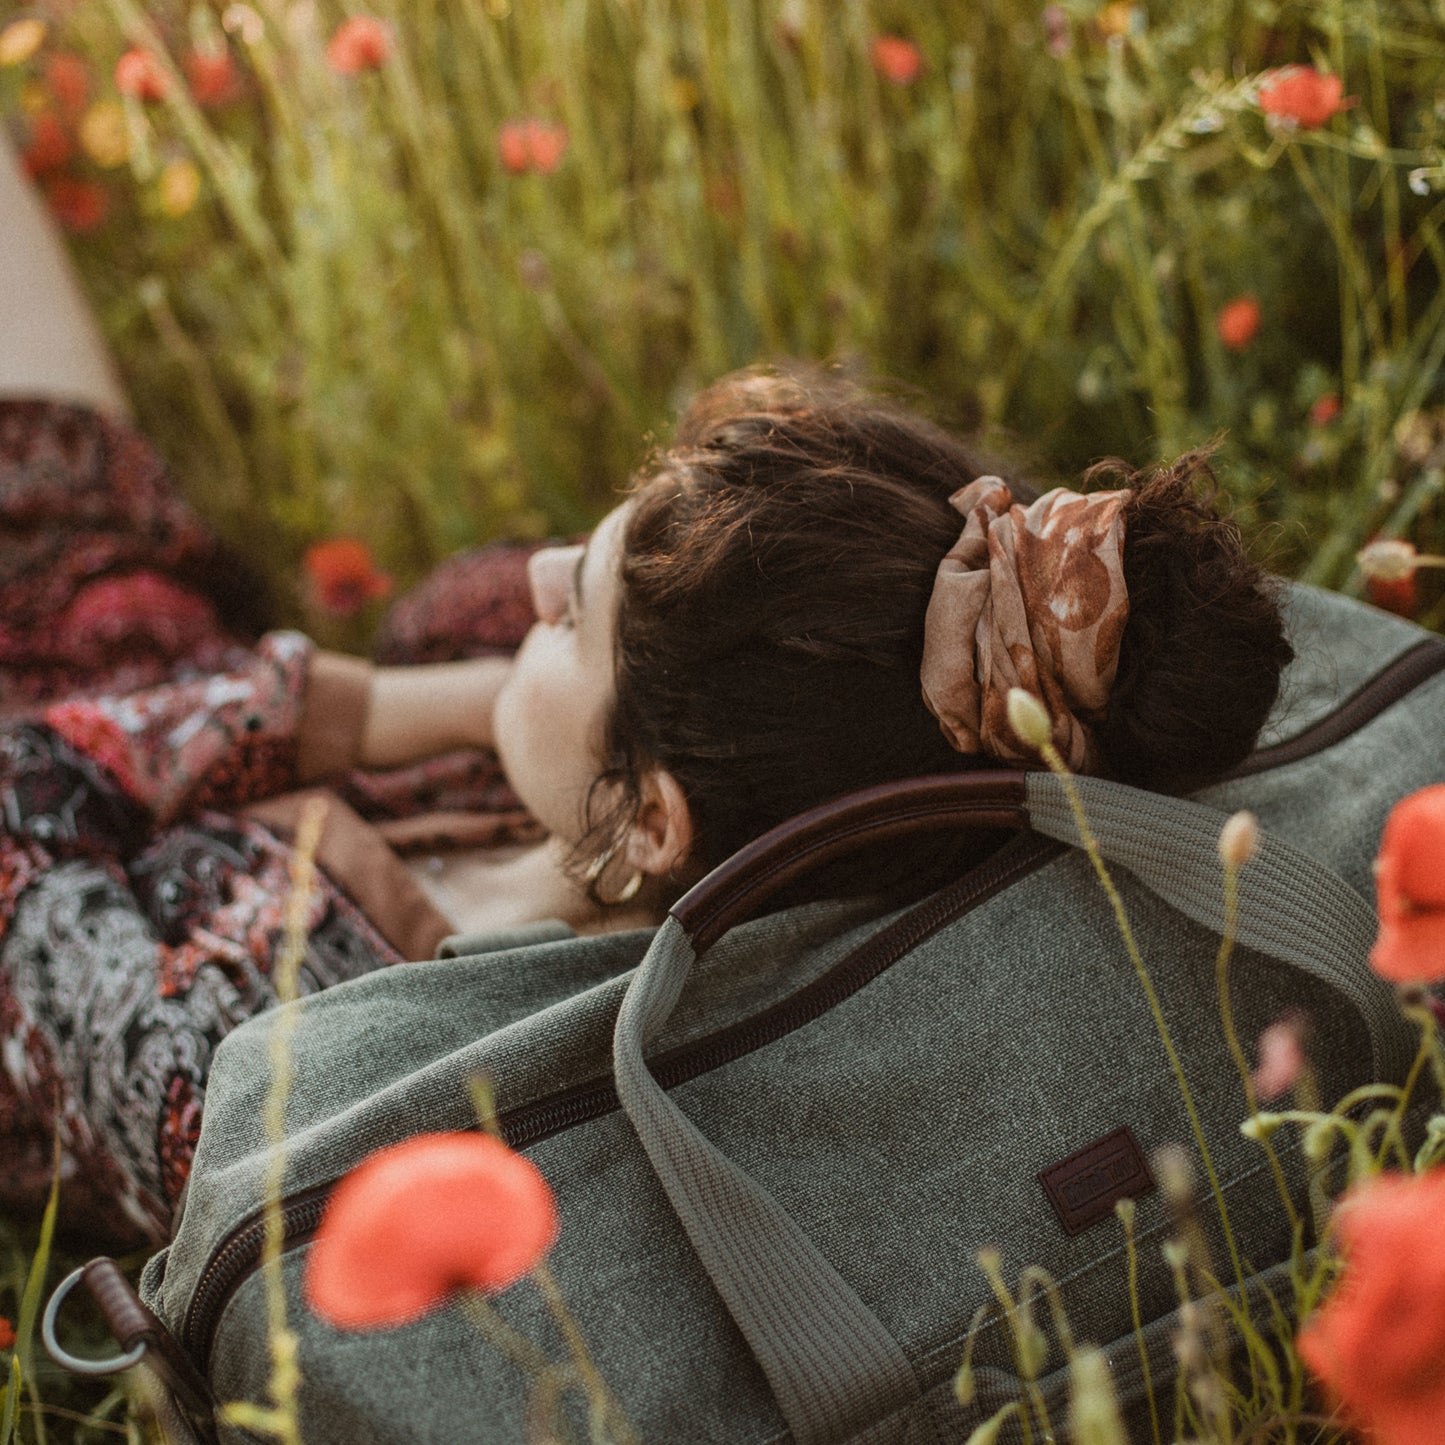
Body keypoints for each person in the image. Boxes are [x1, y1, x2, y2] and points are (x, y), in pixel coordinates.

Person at [0, 132, 1292, 1249]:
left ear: (656, 818)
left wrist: (404, 703)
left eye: (576, 616)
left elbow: (23, 815)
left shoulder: (290, 1059)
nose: (544, 573)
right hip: (117, 611)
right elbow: (475, 600)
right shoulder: (608, 799)